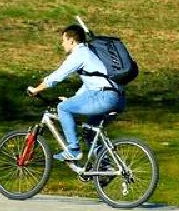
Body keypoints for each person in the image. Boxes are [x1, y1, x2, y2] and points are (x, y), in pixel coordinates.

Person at [28, 24, 125, 161]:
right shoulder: (91, 54)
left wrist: (37, 89)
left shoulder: (80, 53)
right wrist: (73, 99)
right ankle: (105, 167)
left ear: (71, 40)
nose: (62, 44)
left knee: (63, 108)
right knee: (90, 132)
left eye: (63, 40)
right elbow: (88, 86)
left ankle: (73, 150)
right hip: (117, 98)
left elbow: (59, 75)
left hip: (104, 97)